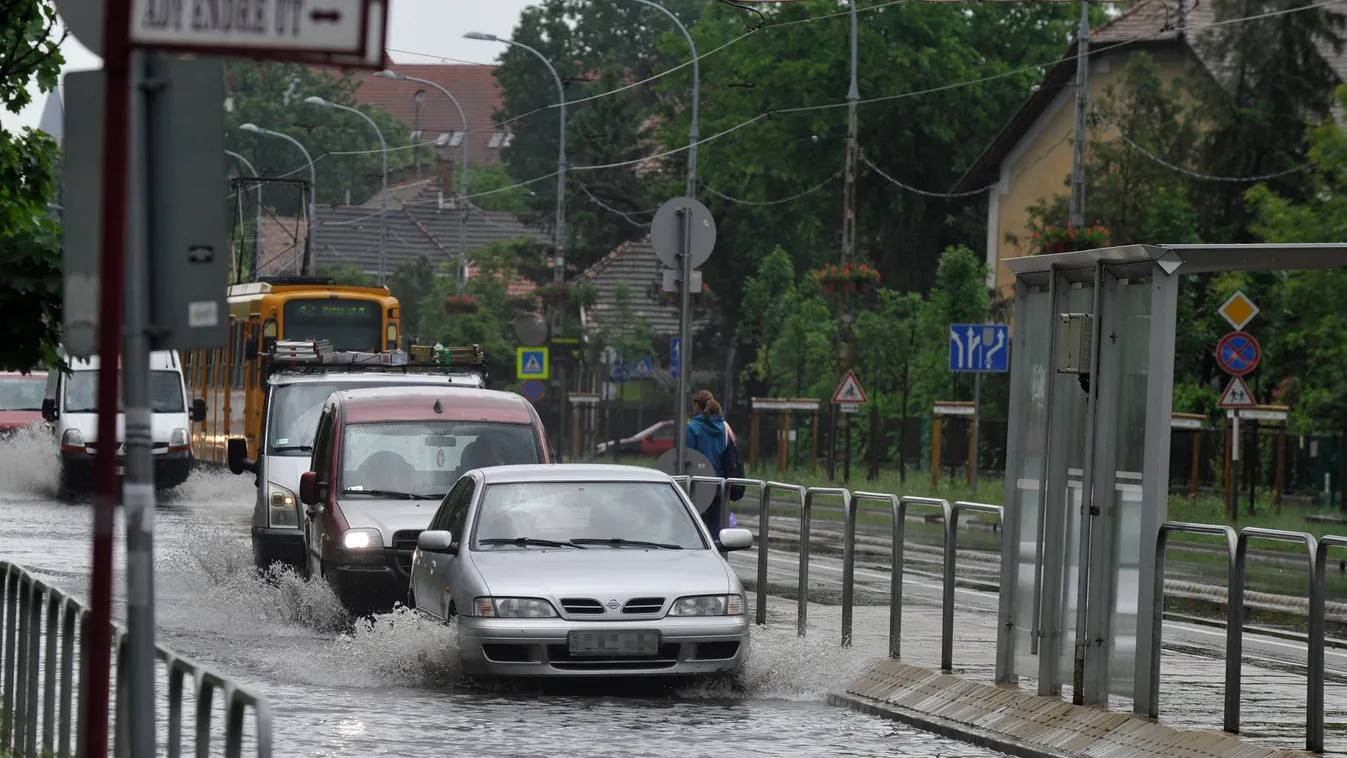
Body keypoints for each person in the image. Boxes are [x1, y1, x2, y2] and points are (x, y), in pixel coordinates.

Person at [684, 389, 742, 539]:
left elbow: (687, 458)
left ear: (696, 406)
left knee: (697, 535)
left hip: (697, 490)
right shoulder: (724, 428)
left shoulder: (692, 428)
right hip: (720, 488)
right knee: (717, 535)